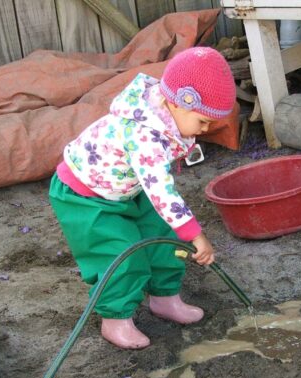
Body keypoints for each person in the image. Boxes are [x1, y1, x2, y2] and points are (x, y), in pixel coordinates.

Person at [49, 47, 236, 349]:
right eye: (203, 121)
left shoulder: (167, 114)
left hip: (128, 189)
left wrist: (181, 231)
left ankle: (165, 298)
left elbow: (158, 190)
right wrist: (196, 235)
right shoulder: (144, 136)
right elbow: (162, 191)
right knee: (122, 254)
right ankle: (116, 319)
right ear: (179, 103)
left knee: (164, 238)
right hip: (87, 197)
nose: (204, 130)